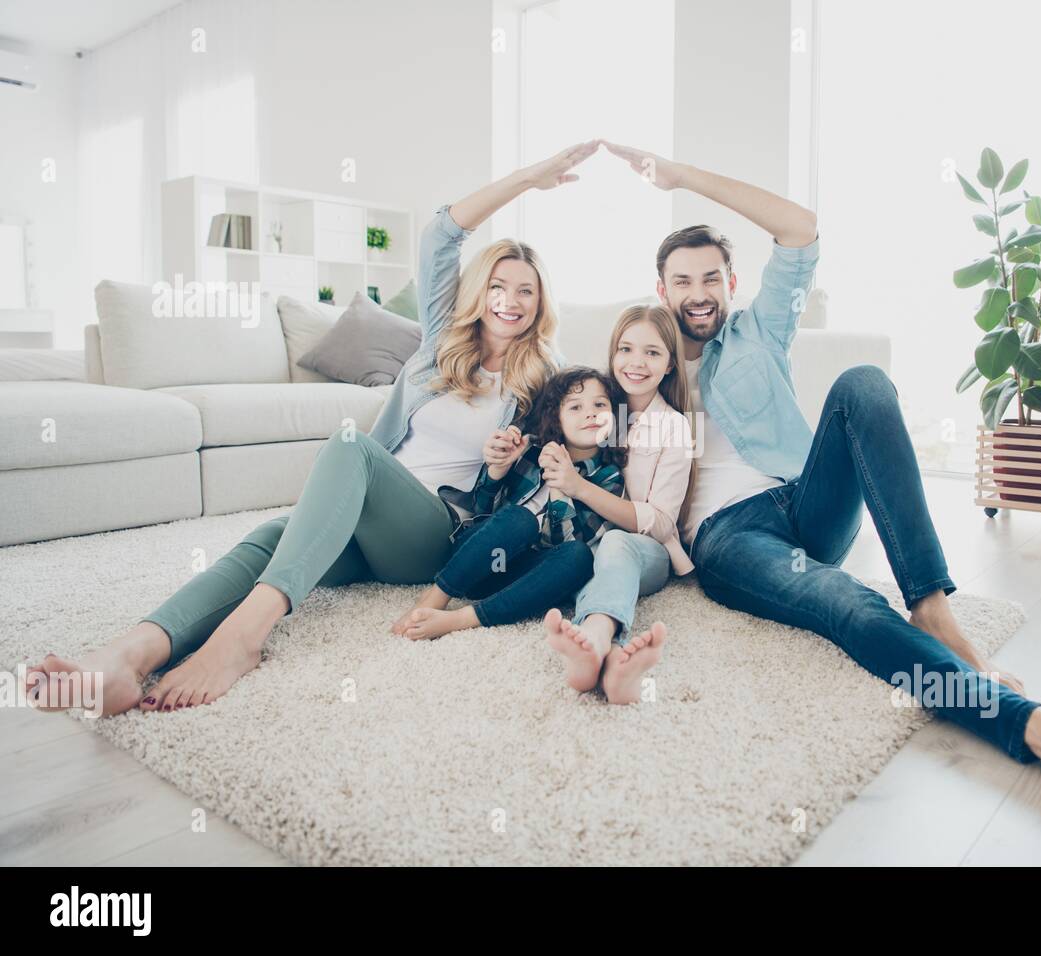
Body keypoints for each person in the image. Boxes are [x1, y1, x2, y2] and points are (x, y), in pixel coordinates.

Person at [600, 139, 1041, 795]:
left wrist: (684, 174)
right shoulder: (638, 369)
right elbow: (586, 441)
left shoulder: (756, 331)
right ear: (661, 290)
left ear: (731, 283)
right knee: (849, 603)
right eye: (683, 281)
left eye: (711, 277)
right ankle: (1033, 727)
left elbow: (800, 229)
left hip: (806, 503)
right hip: (730, 538)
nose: (698, 294)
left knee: (863, 382)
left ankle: (929, 602)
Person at [25, 142, 600, 715]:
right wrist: (527, 179)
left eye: (526, 289)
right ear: (480, 292)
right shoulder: (440, 342)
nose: (510, 300)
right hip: (371, 519)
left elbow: (542, 480)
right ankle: (129, 655)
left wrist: (501, 465)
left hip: (436, 534)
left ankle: (242, 640)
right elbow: (439, 236)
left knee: (349, 445)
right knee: (273, 538)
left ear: (540, 301)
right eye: (499, 285)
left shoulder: (543, 377)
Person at [394, 367, 624, 640]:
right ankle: (437, 594)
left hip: (519, 579)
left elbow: (563, 544)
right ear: (557, 418)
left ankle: (462, 619)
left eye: (600, 404)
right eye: (575, 407)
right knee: (520, 518)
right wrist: (497, 470)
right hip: (475, 562)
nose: (590, 413)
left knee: (580, 557)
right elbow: (482, 512)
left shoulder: (608, 477)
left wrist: (563, 487)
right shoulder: (529, 451)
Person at [543, 305, 695, 703]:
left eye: (652, 352)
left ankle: (592, 637)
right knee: (588, 554)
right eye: (626, 349)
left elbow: (660, 522)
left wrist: (579, 487)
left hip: (647, 552)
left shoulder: (674, 427)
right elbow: (551, 423)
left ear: (669, 366)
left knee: (614, 544)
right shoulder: (601, 406)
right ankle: (609, 663)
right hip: (587, 548)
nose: (636, 363)